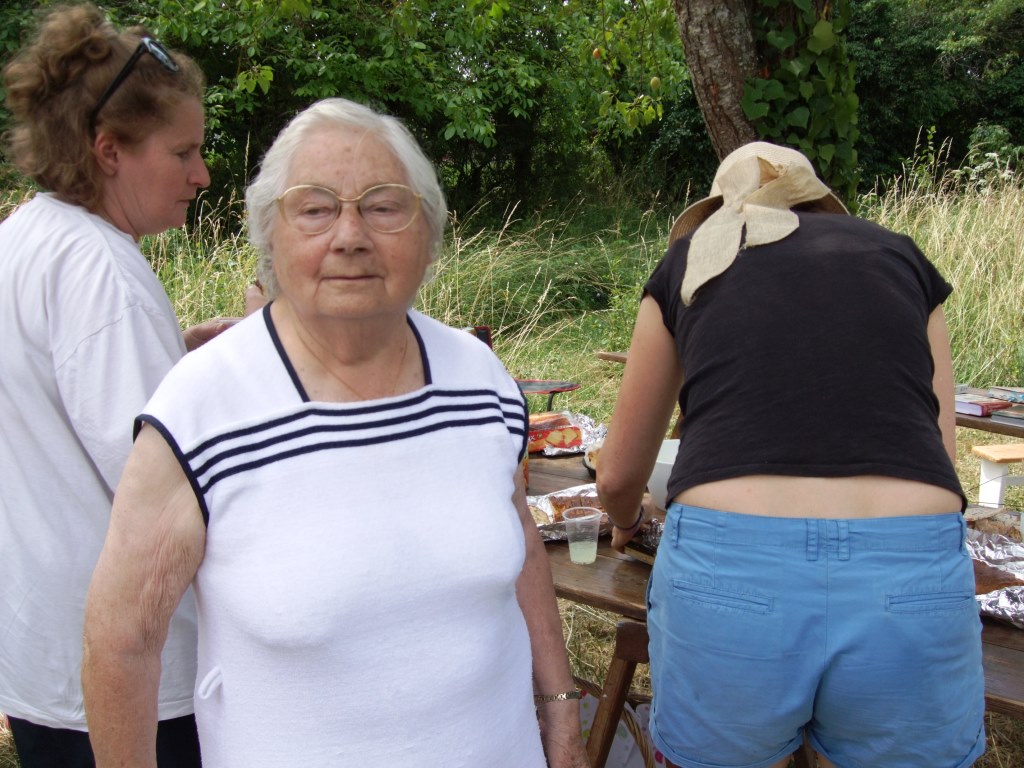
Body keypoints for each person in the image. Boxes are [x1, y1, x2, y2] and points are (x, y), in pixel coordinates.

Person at [82, 97, 588, 768]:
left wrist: (560, 716)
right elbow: (122, 644)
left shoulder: (480, 379)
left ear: (429, 235)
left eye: (383, 207)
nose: (350, 235)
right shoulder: (201, 408)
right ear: (271, 238)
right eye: (315, 209)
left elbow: (518, 547)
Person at [597, 142, 985, 768]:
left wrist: (627, 521)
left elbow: (618, 473)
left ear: (717, 211)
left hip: (731, 575)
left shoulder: (688, 262)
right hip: (907, 565)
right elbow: (939, 454)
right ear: (823, 204)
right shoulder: (902, 260)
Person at [0, 4, 245, 766]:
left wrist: (173, 350)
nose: (201, 176)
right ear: (108, 151)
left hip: (44, 650)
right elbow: (162, 486)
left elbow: (57, 402)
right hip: (130, 679)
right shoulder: (103, 271)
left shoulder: (25, 236)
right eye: (184, 153)